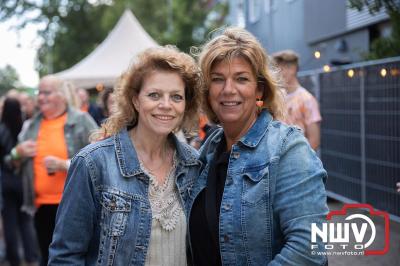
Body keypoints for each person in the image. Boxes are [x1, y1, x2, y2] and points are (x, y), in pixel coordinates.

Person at [48, 46, 201, 265]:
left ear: (186, 105)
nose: (166, 105)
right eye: (154, 95)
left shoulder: (194, 164)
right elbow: (65, 256)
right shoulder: (93, 164)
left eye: (176, 96)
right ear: (136, 100)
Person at [188, 27, 328, 265]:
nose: (228, 89)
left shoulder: (288, 148)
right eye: (217, 79)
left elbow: (309, 249)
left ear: (259, 90)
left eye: (241, 78)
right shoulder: (210, 148)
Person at [9, 75, 98, 266]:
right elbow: (11, 163)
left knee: (72, 259)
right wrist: (18, 153)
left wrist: (64, 164)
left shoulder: (81, 120)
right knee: (46, 257)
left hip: (74, 204)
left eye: (46, 93)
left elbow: (101, 159)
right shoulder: (31, 125)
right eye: (39, 92)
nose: (40, 97)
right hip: (40, 206)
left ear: (62, 96)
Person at [0, 98, 39, 266]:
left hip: (6, 180)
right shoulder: (25, 128)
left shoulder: (1, 129)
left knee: (9, 222)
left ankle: (13, 258)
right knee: (26, 220)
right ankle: (31, 257)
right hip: (23, 180)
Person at [272, 50, 322, 150]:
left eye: (281, 69)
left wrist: (299, 161)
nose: (277, 73)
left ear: (293, 69)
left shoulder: (307, 99)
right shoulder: (276, 96)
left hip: (297, 160)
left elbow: (314, 141)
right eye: (276, 69)